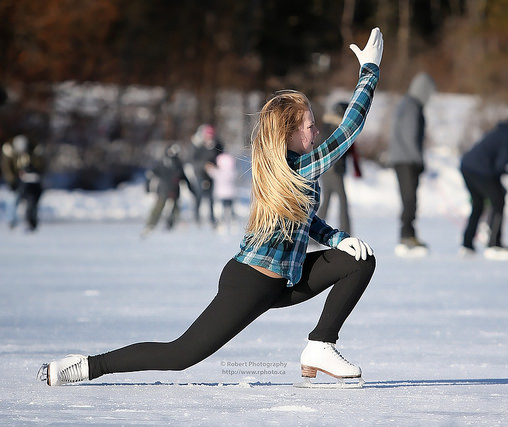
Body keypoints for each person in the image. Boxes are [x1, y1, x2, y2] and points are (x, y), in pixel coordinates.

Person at [39, 27, 383, 387]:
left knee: (359, 260)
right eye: (311, 127)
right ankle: (87, 366)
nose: (315, 134)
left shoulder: (293, 170)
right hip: (252, 283)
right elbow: (348, 132)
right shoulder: (293, 166)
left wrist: (337, 239)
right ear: (289, 134)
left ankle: (321, 344)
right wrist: (369, 72)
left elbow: (302, 220)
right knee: (180, 355)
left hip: (286, 278)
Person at [459, 115, 508, 260]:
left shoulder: (500, 131)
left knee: (478, 205)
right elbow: (501, 160)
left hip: (467, 166)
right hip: (480, 170)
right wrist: (501, 172)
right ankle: (494, 244)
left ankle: (467, 244)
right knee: (499, 201)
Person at [388, 72, 436, 256]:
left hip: (404, 158)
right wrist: (418, 159)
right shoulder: (412, 106)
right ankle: (406, 236)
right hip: (407, 160)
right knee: (410, 200)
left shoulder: (407, 104)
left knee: (409, 199)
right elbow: (410, 135)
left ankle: (409, 234)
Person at [316, 101, 362, 235]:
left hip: (326, 170)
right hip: (334, 170)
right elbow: (338, 149)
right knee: (343, 200)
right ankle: (346, 232)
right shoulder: (338, 127)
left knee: (327, 201)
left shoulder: (327, 126)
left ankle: (314, 235)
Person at [141, 143, 191, 237]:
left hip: (174, 189)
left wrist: (191, 188)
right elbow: (151, 174)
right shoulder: (163, 162)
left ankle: (172, 224)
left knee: (175, 208)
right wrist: (147, 187)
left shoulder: (178, 163)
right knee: (159, 207)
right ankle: (151, 224)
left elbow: (183, 177)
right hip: (164, 189)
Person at [1, 134, 45, 231]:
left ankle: (31, 222)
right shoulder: (9, 151)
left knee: (31, 201)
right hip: (15, 180)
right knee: (13, 200)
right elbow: (7, 168)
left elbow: (40, 165)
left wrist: (33, 170)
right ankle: (11, 222)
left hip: (30, 181)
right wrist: (12, 181)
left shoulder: (33, 151)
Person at [187, 124, 224, 227]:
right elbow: (192, 160)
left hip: (212, 174)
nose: (210, 137)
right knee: (199, 196)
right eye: (208, 135)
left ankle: (212, 219)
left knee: (211, 198)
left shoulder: (216, 144)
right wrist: (204, 165)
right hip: (199, 174)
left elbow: (220, 155)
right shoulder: (197, 144)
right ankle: (196, 218)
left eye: (211, 135)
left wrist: (216, 165)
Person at [207, 147, 238, 233]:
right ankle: (233, 223)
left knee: (220, 211)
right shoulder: (232, 172)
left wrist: (209, 167)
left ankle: (221, 225)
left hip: (220, 194)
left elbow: (211, 172)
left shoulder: (219, 172)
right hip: (231, 194)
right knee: (231, 210)